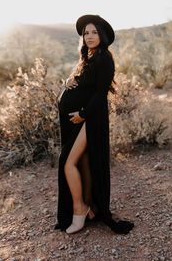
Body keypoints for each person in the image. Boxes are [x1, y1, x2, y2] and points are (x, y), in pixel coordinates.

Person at [55, 14, 134, 234]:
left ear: (102, 35)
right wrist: (68, 81)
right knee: (84, 162)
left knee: (68, 162)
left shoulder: (105, 58)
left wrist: (82, 114)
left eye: (94, 32)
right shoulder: (88, 58)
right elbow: (84, 86)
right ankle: (90, 207)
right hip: (80, 120)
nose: (89, 36)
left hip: (91, 119)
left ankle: (79, 209)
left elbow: (100, 94)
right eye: (86, 33)